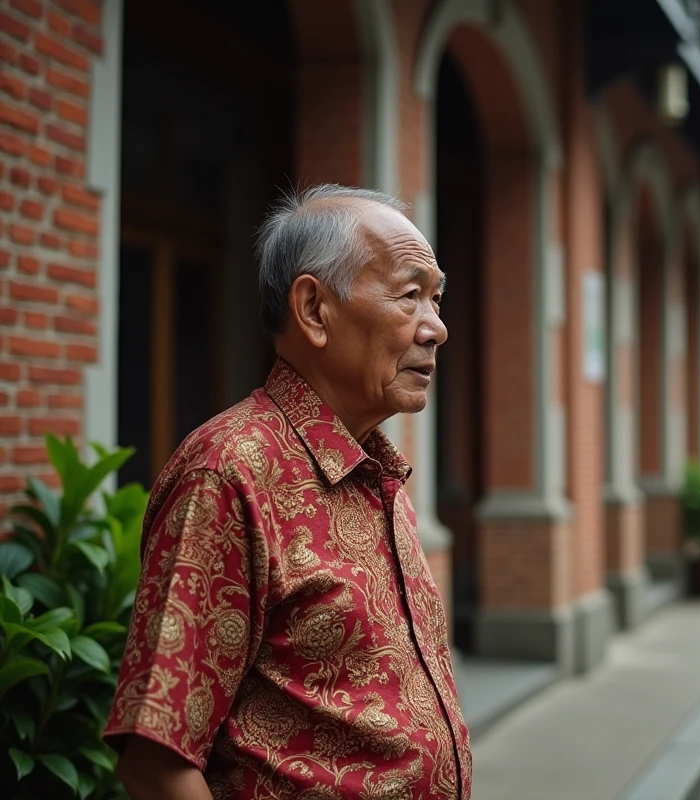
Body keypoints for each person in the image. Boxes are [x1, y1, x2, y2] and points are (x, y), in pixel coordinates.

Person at [104, 185, 471, 799]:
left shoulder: (377, 471)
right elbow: (155, 759)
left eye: (436, 298)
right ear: (313, 309)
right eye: (411, 296)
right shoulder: (228, 474)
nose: (436, 328)